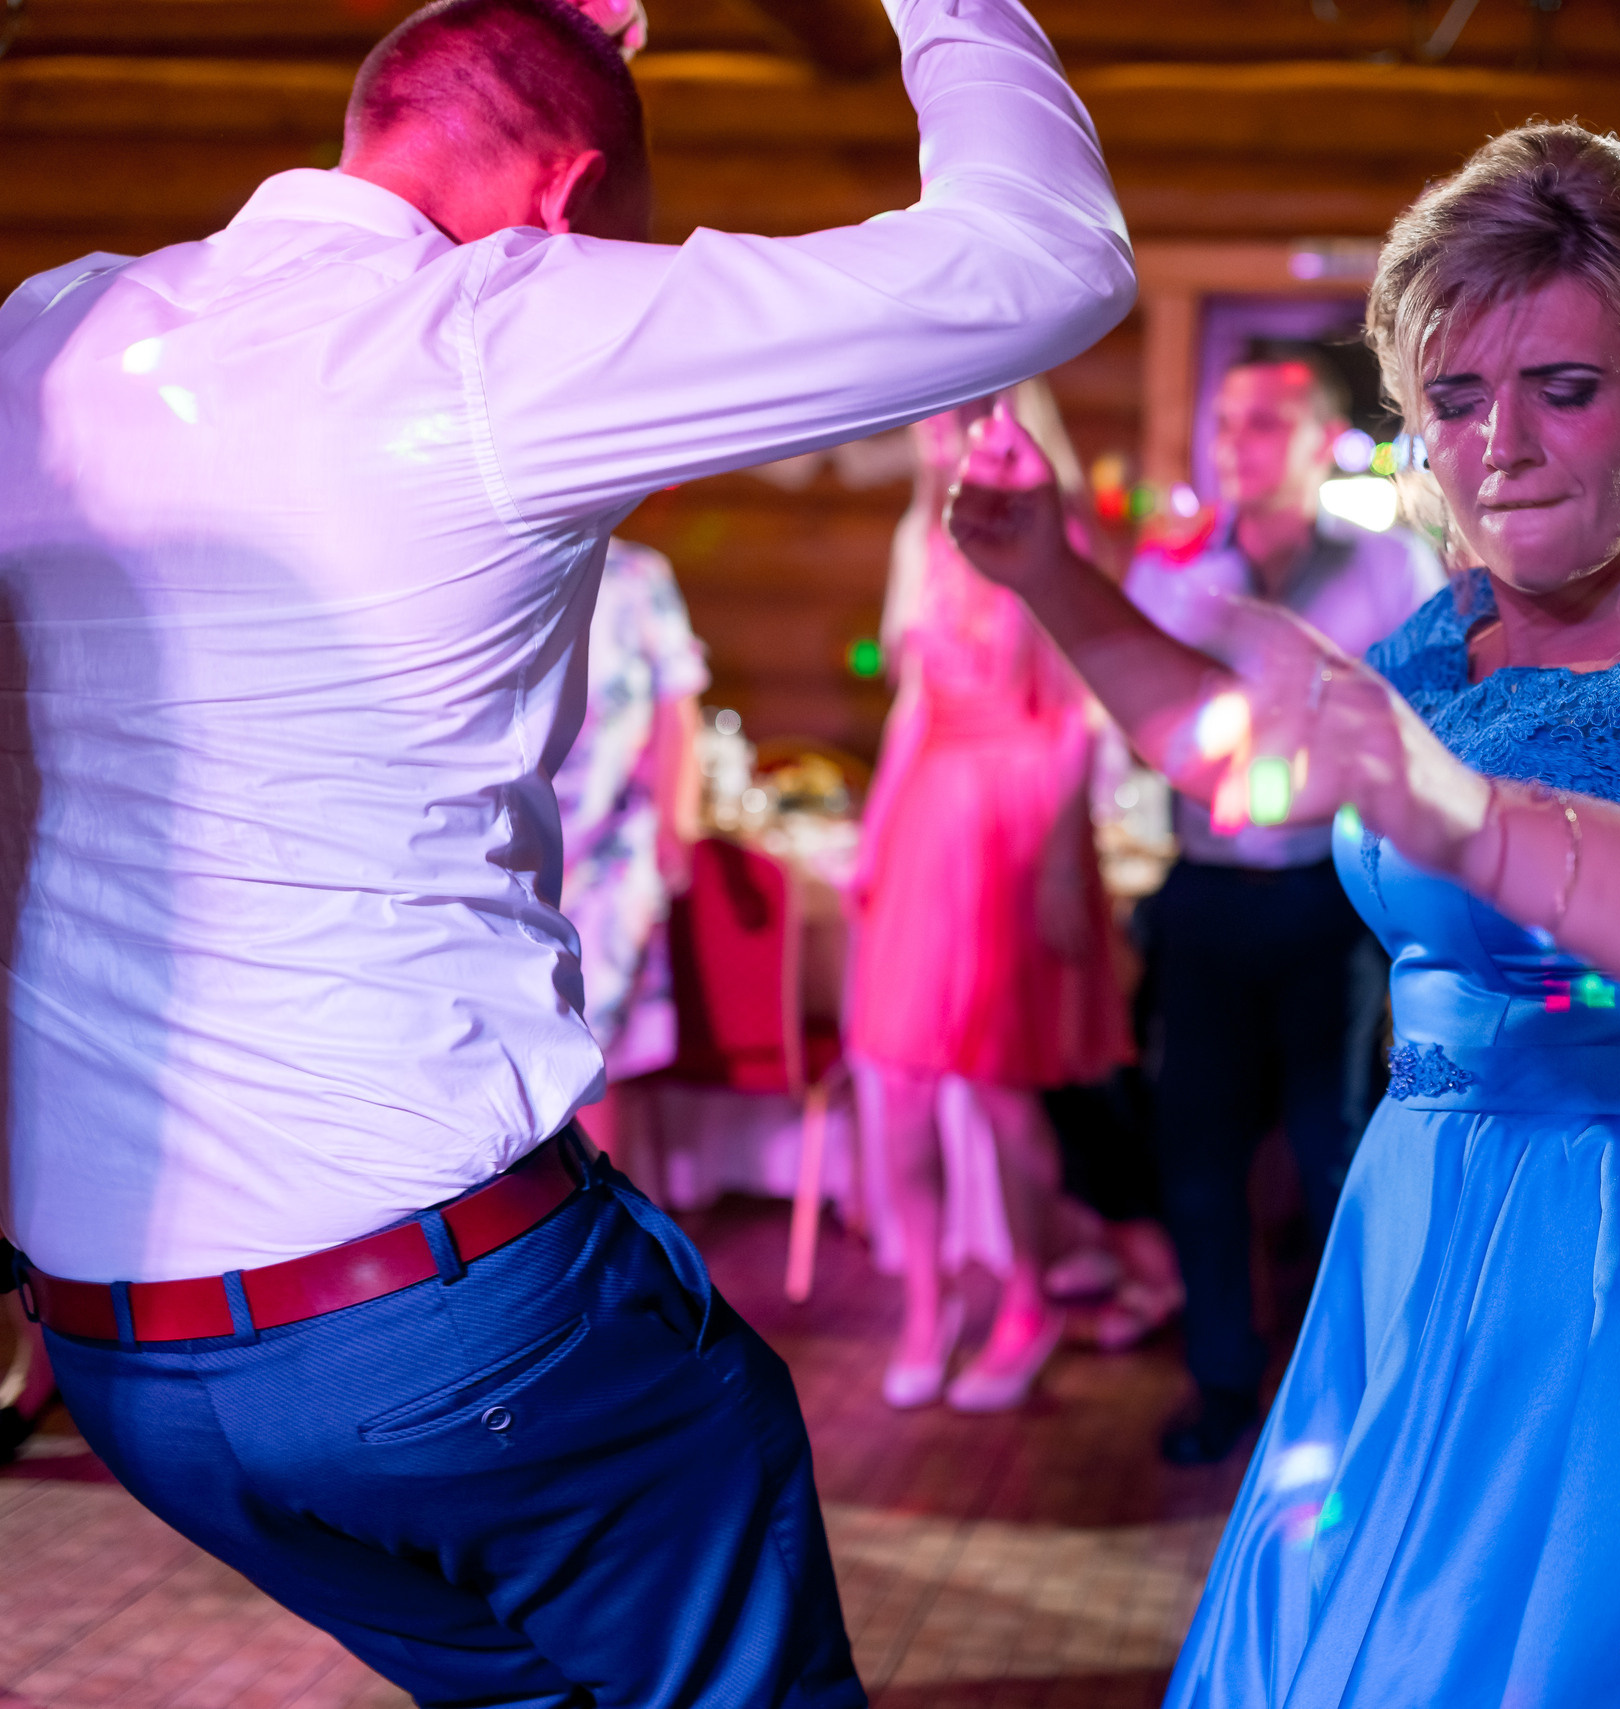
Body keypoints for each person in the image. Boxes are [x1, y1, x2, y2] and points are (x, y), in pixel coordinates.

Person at [0, 0, 1132, 1700]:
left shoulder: (55, 331)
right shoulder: (487, 329)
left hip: (120, 1356)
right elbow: (1041, 254)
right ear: (569, 201)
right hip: (440, 1329)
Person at [949, 122, 1620, 1705]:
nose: (1502, 446)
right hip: (1425, 1229)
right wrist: (1053, 579)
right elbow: (1247, 760)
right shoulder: (1455, 627)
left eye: (1566, 387)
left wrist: (1479, 824)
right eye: (1458, 400)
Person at [1120, 343, 1443, 1463]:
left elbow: (1430, 723)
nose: (1234, 444)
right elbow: (1128, 726)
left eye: (1263, 422)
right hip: (1204, 892)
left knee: (1333, 1147)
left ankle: (1350, 1391)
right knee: (1198, 1150)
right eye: (1226, 423)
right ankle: (1218, 1381)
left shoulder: (1392, 571)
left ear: (1317, 442)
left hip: (1330, 893)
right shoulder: (1169, 577)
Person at [851, 378, 1126, 1413]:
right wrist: (875, 843)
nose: (927, 429)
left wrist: (1064, 852)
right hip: (930, 811)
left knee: (1004, 1086)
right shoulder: (916, 538)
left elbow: (1082, 710)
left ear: (998, 425)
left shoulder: (1048, 539)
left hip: (1017, 815)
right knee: (898, 1077)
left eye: (947, 413)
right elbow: (912, 707)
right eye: (919, 413)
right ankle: (926, 1301)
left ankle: (1027, 1293)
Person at [555, 536, 707, 1187]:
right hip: (523, 845)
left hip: (613, 842)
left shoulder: (639, 572)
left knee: (596, 1040)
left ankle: (601, 1234)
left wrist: (677, 820)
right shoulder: (521, 554)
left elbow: (680, 708)